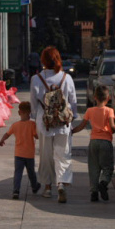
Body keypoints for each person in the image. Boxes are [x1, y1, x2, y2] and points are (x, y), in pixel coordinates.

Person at [30, 46, 78, 203]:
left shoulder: (36, 79)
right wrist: (72, 117)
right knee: (63, 155)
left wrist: (34, 119)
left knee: (46, 155)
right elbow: (73, 101)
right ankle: (61, 185)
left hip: (45, 123)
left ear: (43, 60)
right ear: (58, 59)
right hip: (63, 123)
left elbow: (34, 105)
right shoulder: (66, 78)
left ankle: (47, 187)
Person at [72, 84, 115, 202]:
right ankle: (104, 182)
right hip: (106, 142)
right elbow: (112, 126)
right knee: (108, 167)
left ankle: (94, 192)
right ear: (108, 98)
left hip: (93, 142)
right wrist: (114, 128)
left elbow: (82, 126)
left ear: (94, 97)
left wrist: (72, 131)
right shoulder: (109, 110)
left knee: (93, 168)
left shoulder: (90, 110)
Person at [0, 101, 41, 199]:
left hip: (18, 154)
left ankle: (16, 191)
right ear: (30, 113)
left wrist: (2, 140)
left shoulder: (15, 125)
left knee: (18, 173)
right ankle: (34, 187)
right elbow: (37, 136)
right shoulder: (32, 124)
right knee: (31, 173)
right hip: (29, 154)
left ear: (19, 113)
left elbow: (7, 134)